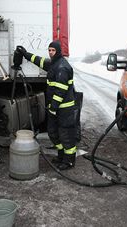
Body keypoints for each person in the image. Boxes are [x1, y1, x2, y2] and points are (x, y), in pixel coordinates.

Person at [13, 41, 79, 170]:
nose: (50, 53)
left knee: (66, 134)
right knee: (53, 133)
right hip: (55, 108)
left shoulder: (62, 67)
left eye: (53, 50)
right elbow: (40, 61)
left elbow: (61, 90)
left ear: (58, 51)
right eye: (49, 50)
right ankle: (61, 156)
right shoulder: (53, 64)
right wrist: (25, 54)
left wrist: (53, 107)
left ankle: (69, 161)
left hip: (64, 108)